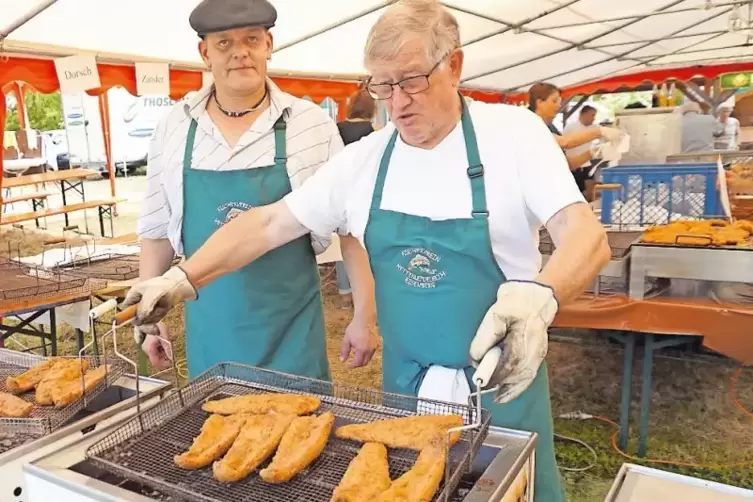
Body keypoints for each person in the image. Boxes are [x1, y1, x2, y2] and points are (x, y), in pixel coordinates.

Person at [124, 1, 611, 500]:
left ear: (455, 66)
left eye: (412, 81)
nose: (397, 103)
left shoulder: (514, 136)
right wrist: (180, 278)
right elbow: (268, 222)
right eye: (382, 86)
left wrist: (541, 298)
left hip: (501, 380)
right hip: (405, 389)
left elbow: (583, 235)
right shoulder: (367, 161)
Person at [133, 0, 377, 378]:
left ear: (268, 44)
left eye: (251, 39)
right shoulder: (174, 128)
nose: (240, 53)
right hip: (211, 331)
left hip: (291, 332)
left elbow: (352, 232)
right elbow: (155, 232)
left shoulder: (311, 125)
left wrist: (365, 316)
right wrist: (146, 317)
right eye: (224, 43)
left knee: (301, 431)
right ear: (205, 53)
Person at [529, 82, 622, 194]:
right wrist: (600, 131)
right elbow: (564, 142)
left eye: (559, 101)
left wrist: (594, 152)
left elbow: (569, 164)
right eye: (554, 101)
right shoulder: (530, 122)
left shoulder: (550, 127)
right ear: (539, 102)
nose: (558, 106)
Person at [334, 89, 377, 309]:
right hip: (364, 193)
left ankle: (344, 294)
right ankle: (365, 293)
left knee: (343, 240)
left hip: (340, 191)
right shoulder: (373, 132)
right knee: (361, 243)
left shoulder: (336, 129)